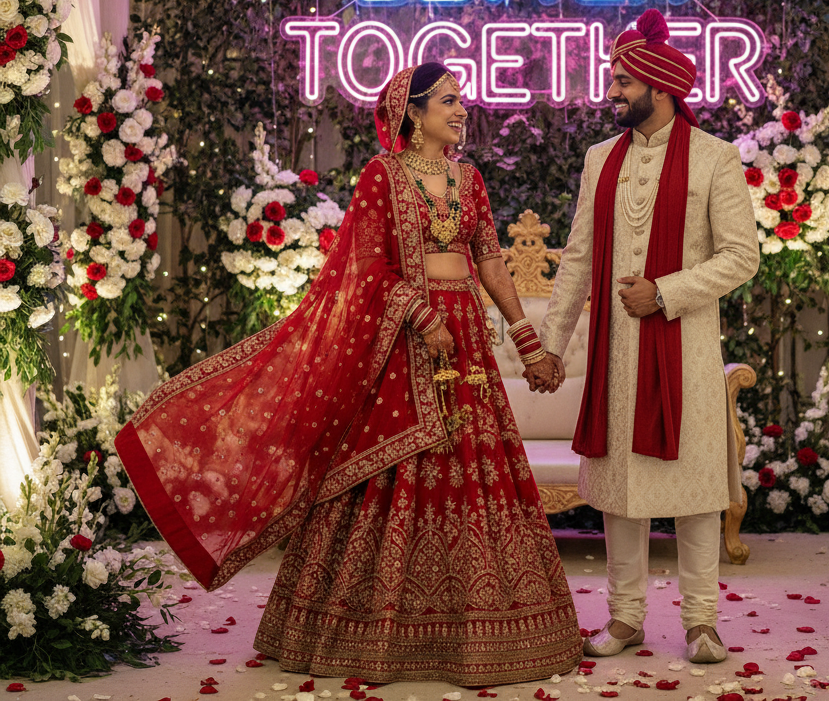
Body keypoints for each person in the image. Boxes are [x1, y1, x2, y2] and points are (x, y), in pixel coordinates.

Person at [115, 62, 582, 685]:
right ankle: (374, 629)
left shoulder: (468, 179)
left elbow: (490, 261)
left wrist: (526, 342)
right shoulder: (383, 176)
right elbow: (365, 266)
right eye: (448, 101)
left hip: (464, 340)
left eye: (462, 100)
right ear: (414, 113)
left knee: (472, 474)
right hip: (404, 345)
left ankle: (475, 626)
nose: (462, 110)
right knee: (394, 475)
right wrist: (419, 313)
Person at [535, 9, 759, 664]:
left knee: (693, 492)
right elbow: (577, 257)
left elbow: (741, 257)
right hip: (616, 357)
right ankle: (625, 619)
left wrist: (665, 291)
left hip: (685, 350)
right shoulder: (599, 158)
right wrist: (552, 345)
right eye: (612, 77)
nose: (611, 91)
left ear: (660, 88)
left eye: (622, 80)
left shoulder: (714, 159)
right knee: (622, 494)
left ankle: (701, 623)